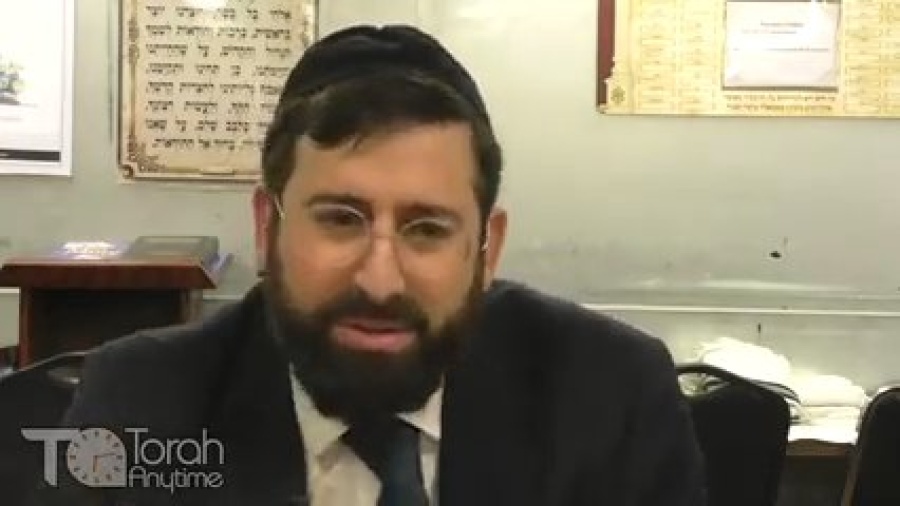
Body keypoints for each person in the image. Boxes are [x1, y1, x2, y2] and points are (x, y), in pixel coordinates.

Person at [34, 24, 705, 506]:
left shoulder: (611, 399)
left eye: (427, 229)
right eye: (340, 219)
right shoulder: (137, 405)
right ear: (268, 226)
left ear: (487, 249)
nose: (380, 280)